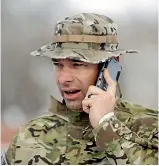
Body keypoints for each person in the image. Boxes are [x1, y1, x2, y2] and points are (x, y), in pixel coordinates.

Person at [3, 13, 158, 165]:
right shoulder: (29, 137)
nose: (63, 79)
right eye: (58, 65)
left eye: (77, 64)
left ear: (110, 65)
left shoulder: (149, 127)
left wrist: (106, 127)